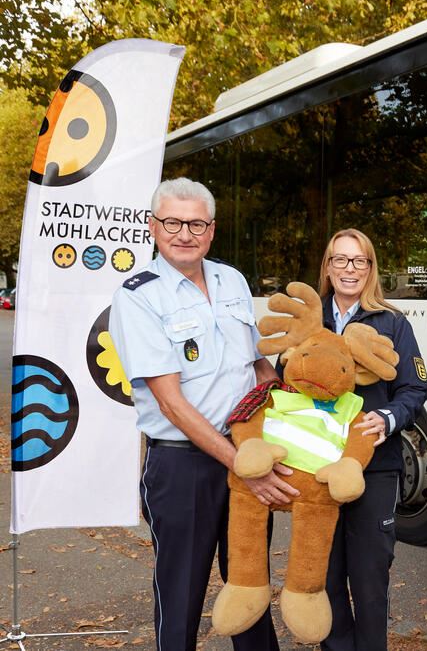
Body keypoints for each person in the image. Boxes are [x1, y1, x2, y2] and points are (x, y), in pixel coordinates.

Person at [110, 178, 289, 651]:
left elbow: (257, 364)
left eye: (196, 224)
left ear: (211, 230)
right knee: (182, 592)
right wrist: (240, 465)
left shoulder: (232, 279)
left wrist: (291, 404)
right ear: (153, 227)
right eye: (172, 222)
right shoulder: (137, 295)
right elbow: (170, 402)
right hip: (183, 464)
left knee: (249, 584)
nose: (184, 233)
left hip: (247, 453)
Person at [316, 229, 427, 650]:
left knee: (368, 581)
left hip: (375, 470)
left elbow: (415, 390)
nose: (350, 269)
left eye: (359, 261)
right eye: (341, 260)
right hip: (317, 470)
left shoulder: (393, 322)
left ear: (370, 269)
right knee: (325, 578)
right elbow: (285, 383)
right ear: (328, 267)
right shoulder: (312, 319)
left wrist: (388, 418)